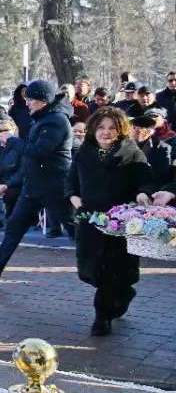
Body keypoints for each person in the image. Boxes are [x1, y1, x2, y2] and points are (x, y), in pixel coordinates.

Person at [0, 80, 73, 283]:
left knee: (74, 228)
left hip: (54, 185)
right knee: (14, 226)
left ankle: (97, 269)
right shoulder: (43, 118)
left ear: (43, 101)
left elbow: (39, 152)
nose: (27, 103)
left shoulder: (56, 121)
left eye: (31, 99)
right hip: (34, 186)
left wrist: (14, 141)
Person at [67, 107, 153, 336]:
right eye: (101, 127)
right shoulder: (84, 153)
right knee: (91, 271)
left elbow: (145, 181)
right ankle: (122, 295)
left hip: (120, 224)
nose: (106, 132)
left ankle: (101, 318)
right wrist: (77, 202)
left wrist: (143, 194)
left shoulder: (132, 153)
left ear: (121, 130)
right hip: (90, 222)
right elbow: (71, 184)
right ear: (93, 130)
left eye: (112, 128)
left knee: (114, 272)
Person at [132, 115, 175, 186]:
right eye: (134, 128)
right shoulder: (125, 145)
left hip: (147, 188)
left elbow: (161, 176)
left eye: (143, 129)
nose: (136, 131)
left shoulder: (162, 148)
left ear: (151, 131)